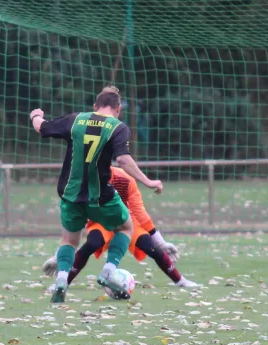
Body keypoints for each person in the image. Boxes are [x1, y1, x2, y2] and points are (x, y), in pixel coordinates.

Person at [30, 85, 163, 303]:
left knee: (70, 240)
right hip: (100, 195)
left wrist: (35, 115)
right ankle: (109, 270)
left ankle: (62, 280)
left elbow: (41, 127)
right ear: (118, 109)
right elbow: (123, 160)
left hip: (70, 194)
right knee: (126, 227)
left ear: (95, 107)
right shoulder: (118, 127)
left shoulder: (76, 119)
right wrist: (148, 181)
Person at [43, 167, 200, 290]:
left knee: (150, 247)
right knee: (92, 243)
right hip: (99, 220)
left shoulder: (125, 179)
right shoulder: (84, 182)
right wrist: (58, 256)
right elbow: (74, 223)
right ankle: (63, 284)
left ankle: (180, 280)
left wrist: (161, 243)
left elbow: (139, 212)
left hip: (125, 220)